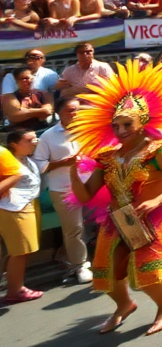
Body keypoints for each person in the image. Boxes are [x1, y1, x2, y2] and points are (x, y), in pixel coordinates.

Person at [67, 62, 162, 334]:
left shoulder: (158, 150)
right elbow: (86, 194)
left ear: (142, 123)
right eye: (116, 125)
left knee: (147, 274)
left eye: (127, 124)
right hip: (118, 220)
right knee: (107, 274)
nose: (121, 130)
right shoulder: (108, 157)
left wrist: (159, 199)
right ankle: (124, 305)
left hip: (153, 215)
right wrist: (71, 170)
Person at [33, 97, 92, 283]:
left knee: (99, 223)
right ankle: (80, 265)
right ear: (59, 113)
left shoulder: (88, 130)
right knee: (73, 229)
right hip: (64, 189)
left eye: (77, 110)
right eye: (70, 110)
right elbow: (39, 164)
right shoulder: (48, 136)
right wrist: (63, 163)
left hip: (92, 185)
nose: (75, 114)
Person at [0, 128, 43, 303]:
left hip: (28, 205)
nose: (35, 142)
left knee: (21, 251)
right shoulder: (5, 158)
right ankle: (14, 291)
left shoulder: (26, 159)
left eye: (35, 138)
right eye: (29, 140)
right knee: (20, 251)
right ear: (14, 144)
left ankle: (14, 286)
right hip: (14, 208)